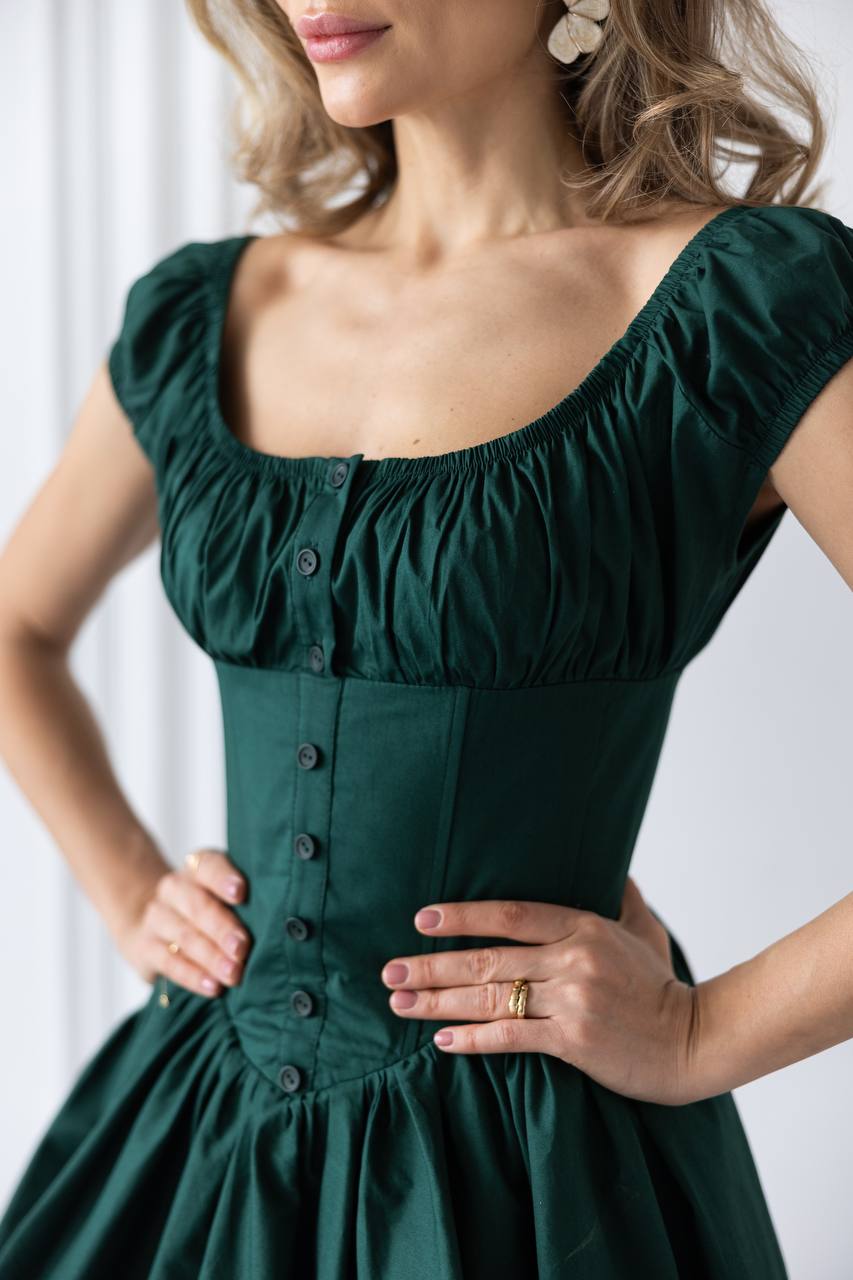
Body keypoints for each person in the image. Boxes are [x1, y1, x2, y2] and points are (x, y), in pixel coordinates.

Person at [0, 0, 851, 1275]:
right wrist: (127, 886)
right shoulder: (208, 307)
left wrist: (698, 1032)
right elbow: (15, 622)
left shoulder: (733, 308)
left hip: (534, 1183)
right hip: (195, 1151)